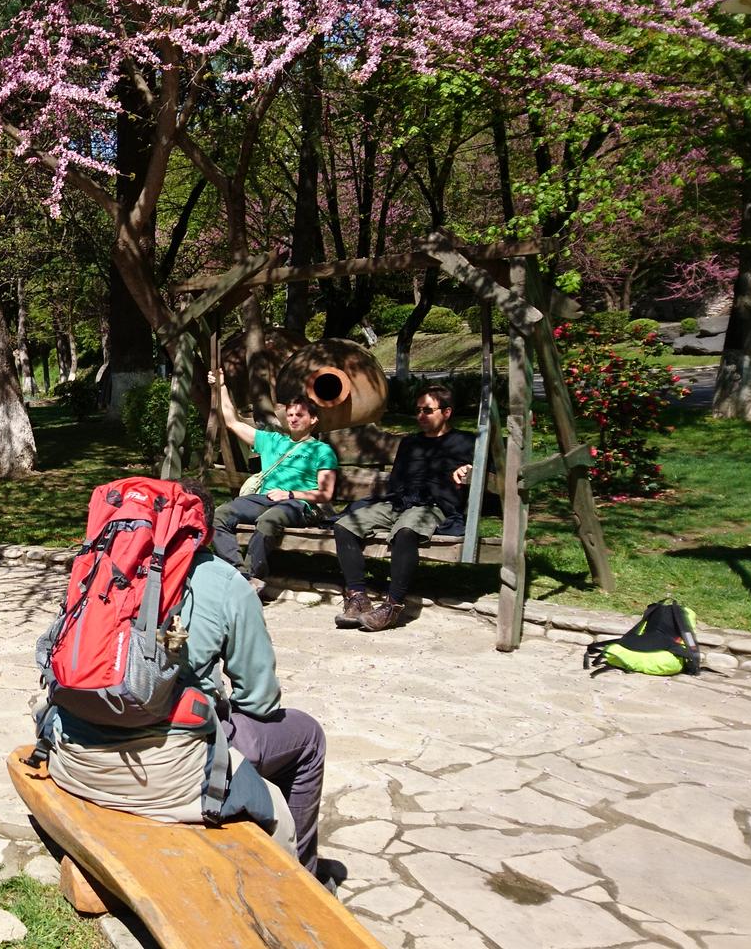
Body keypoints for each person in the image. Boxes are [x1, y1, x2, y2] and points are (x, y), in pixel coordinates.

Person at [40, 479, 332, 880]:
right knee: (307, 736)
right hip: (167, 773)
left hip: (76, 757)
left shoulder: (103, 569)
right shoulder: (226, 582)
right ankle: (303, 876)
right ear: (205, 531)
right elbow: (259, 700)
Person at [333, 384, 477, 633]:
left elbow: (491, 473)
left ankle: (392, 605)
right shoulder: (410, 442)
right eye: (418, 410)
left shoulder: (466, 441)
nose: (420, 415)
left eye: (427, 410)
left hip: (434, 504)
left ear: (447, 412)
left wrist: (470, 469)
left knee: (406, 531)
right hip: (399, 502)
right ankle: (357, 597)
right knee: (344, 525)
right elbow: (396, 480)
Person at [208, 370, 339, 596]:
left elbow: (325, 493)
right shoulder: (272, 441)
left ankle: (253, 576)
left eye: (299, 415)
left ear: (313, 419)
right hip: (264, 498)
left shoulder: (322, 451)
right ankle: (241, 575)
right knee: (220, 514)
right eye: (290, 415)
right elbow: (232, 422)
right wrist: (221, 387)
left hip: (297, 505)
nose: (293, 419)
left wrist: (290, 495)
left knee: (268, 520)